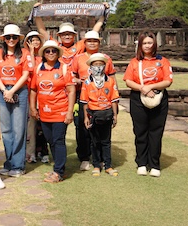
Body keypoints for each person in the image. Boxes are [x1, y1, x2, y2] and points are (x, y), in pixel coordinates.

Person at [34, 4, 108, 172]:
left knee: (82, 124)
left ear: (74, 36)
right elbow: (42, 31)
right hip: (57, 91)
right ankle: (52, 155)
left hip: (79, 91)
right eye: (64, 34)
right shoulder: (54, 47)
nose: (67, 36)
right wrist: (37, 13)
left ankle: (86, 156)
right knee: (53, 128)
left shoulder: (79, 46)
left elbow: (94, 31)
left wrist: (102, 14)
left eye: (69, 34)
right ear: (59, 36)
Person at [123, 30, 173, 177]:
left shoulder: (162, 61)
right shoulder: (135, 62)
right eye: (144, 43)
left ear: (154, 44)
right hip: (138, 98)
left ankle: (154, 164)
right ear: (140, 45)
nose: (147, 46)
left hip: (158, 97)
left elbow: (168, 81)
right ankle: (142, 163)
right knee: (140, 131)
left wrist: (151, 87)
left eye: (150, 43)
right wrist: (142, 88)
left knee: (156, 131)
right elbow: (128, 81)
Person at [29, 40, 76, 183]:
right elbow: (33, 90)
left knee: (58, 140)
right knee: (50, 141)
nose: (50, 53)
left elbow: (71, 91)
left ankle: (58, 172)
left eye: (53, 51)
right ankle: (58, 167)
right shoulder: (38, 69)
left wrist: (70, 112)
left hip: (60, 111)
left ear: (58, 53)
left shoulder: (64, 68)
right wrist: (33, 108)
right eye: (47, 51)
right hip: (44, 112)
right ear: (43, 53)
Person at [70, 30, 116, 171]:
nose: (92, 43)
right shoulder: (78, 58)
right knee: (83, 127)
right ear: (84, 43)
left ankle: (101, 159)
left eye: (95, 41)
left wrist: (114, 100)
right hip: (84, 95)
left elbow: (112, 78)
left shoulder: (106, 58)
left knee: (101, 128)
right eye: (89, 41)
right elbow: (72, 76)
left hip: (103, 97)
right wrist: (81, 81)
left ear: (99, 43)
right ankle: (84, 157)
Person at [0, 24, 33, 177]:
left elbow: (25, 75)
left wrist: (12, 91)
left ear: (18, 39)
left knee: (18, 129)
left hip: (19, 91)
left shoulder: (24, 53)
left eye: (14, 37)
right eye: (8, 37)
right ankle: (9, 163)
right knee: (6, 129)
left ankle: (18, 165)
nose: (11, 39)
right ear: (3, 38)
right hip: (3, 91)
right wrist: (5, 90)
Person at [80, 53, 120, 177]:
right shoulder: (87, 82)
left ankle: (108, 165)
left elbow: (114, 100)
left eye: (100, 64)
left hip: (107, 114)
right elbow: (85, 102)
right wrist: (86, 117)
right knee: (94, 142)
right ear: (90, 66)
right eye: (95, 64)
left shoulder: (110, 81)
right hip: (93, 115)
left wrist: (115, 115)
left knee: (106, 141)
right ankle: (96, 165)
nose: (98, 67)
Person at [23, 31, 49, 164]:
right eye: (32, 40)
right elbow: (32, 70)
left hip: (43, 94)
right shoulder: (24, 55)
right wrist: (32, 53)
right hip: (30, 94)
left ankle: (43, 151)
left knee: (43, 125)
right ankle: (30, 152)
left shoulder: (45, 56)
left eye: (37, 40)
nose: (35, 42)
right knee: (31, 126)